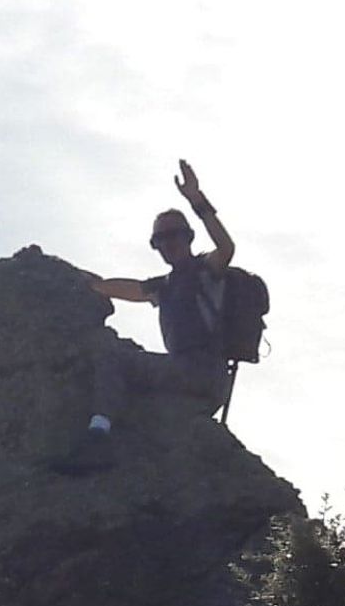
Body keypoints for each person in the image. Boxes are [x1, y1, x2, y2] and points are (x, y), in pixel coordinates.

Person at [53, 159, 236, 476]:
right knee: (131, 364)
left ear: (189, 237)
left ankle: (98, 435)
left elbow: (226, 247)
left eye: (174, 236)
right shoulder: (164, 286)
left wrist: (196, 199)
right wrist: (78, 280)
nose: (167, 244)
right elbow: (126, 289)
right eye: (159, 240)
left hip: (202, 370)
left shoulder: (207, 270)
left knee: (116, 360)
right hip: (193, 374)